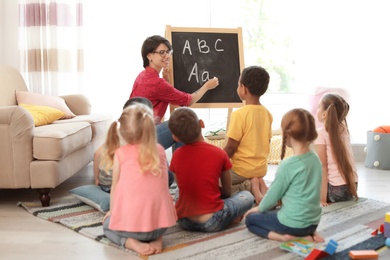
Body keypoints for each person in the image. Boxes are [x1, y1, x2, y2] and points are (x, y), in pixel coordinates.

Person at [102, 103, 177, 256]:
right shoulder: (160, 150)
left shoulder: (120, 153)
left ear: (122, 132)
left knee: (107, 225)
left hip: (133, 230)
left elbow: (115, 188)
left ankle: (130, 243)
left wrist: (113, 212)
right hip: (161, 227)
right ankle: (158, 239)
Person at [168, 107, 254, 232]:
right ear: (202, 124)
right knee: (247, 196)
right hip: (213, 221)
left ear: (175, 137)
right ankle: (229, 220)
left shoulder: (176, 155)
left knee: (178, 194)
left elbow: (181, 187)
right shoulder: (219, 153)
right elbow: (226, 192)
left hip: (184, 220)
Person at [244, 108, 324, 243]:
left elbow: (272, 198)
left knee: (250, 220)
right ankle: (309, 234)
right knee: (280, 213)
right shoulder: (315, 159)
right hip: (313, 222)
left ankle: (284, 237)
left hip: (292, 225)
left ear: (287, 134)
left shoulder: (288, 165)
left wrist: (256, 209)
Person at [130, 35, 219, 150]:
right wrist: (207, 86)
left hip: (133, 133)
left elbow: (157, 96)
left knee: (181, 122)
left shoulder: (143, 75)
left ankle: (177, 165)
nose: (167, 56)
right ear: (149, 55)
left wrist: (166, 81)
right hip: (143, 138)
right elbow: (188, 100)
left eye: (168, 52)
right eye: (162, 52)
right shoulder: (157, 83)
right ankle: (179, 166)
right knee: (184, 123)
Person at [94, 97, 174, 190]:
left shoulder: (115, 136)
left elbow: (96, 154)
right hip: (131, 188)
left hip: (106, 186)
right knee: (168, 174)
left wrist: (96, 180)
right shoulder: (144, 142)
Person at [223, 65, 273, 205]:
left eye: (238, 85)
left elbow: (231, 148)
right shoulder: (267, 114)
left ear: (243, 89)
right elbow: (266, 142)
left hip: (241, 170)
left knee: (215, 184)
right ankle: (258, 183)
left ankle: (249, 186)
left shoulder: (239, 114)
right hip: (261, 169)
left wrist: (216, 163)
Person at [314, 93, 358, 206]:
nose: (317, 109)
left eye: (319, 107)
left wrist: (321, 199)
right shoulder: (344, 129)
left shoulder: (320, 133)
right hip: (352, 187)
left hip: (336, 191)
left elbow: (322, 167)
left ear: (324, 114)